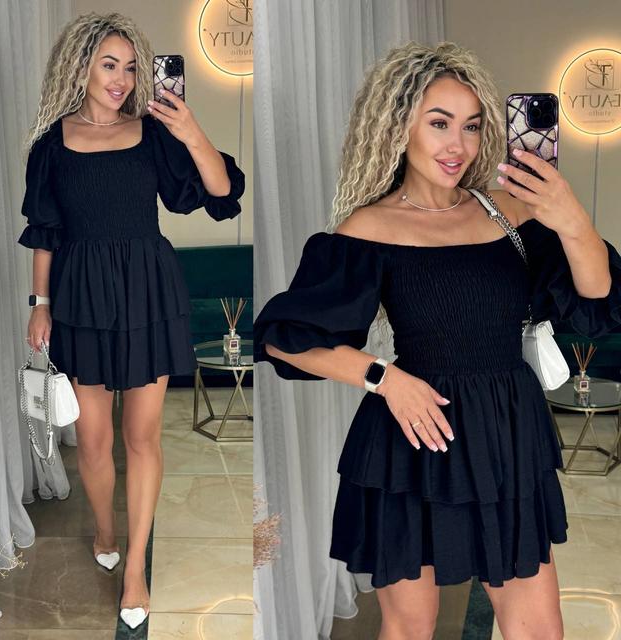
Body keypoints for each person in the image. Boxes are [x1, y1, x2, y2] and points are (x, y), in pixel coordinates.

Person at [253, 42, 621, 639]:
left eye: (472, 127)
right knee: (410, 627)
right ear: (399, 127)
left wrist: (571, 215)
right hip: (413, 439)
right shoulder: (369, 228)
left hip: (507, 435)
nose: (458, 146)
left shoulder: (510, 212)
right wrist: (384, 378)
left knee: (539, 629)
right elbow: (285, 339)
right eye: (440, 124)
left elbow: (598, 297)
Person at [18, 12, 245, 630]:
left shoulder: (153, 133)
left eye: (130, 67)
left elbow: (220, 194)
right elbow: (45, 231)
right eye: (108, 65)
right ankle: (105, 529)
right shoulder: (51, 146)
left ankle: (137, 564)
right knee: (94, 440)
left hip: (148, 290)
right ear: (81, 68)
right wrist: (40, 305)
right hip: (81, 295)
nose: (121, 79)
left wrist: (190, 129)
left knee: (141, 437)